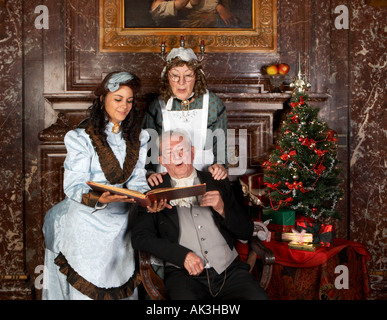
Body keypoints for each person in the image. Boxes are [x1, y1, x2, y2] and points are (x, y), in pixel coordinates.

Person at [42, 71, 157, 300]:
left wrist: (147, 198)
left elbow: (136, 180)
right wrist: (100, 199)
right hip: (86, 219)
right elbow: (74, 185)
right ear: (103, 98)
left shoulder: (138, 138)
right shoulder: (80, 137)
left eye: (129, 100)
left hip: (121, 221)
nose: (124, 106)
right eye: (118, 99)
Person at [131, 130, 268, 300]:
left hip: (229, 272)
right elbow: (139, 237)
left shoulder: (216, 180)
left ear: (193, 153)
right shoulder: (154, 192)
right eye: (169, 153)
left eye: (182, 150)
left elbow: (246, 231)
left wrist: (222, 209)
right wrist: (181, 256)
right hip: (184, 276)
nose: (177, 156)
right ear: (162, 161)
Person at [143, 45, 228, 186]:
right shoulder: (157, 106)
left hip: (205, 178)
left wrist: (220, 165)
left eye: (188, 75)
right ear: (167, 77)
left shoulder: (213, 103)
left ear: (197, 77)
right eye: (175, 75)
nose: (181, 82)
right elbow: (148, 147)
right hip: (167, 179)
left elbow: (220, 145)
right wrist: (150, 172)